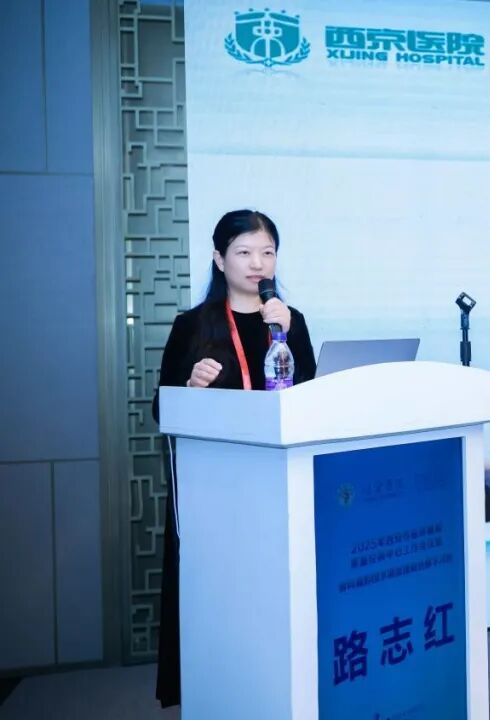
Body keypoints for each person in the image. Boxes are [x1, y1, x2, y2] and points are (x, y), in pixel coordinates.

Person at [151, 209, 316, 708]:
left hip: (277, 485)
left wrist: (287, 333)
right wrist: (190, 386)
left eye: (267, 252)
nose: (257, 263)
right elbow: (160, 409)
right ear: (219, 259)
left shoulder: (289, 321)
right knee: (221, 602)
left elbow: (311, 398)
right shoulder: (192, 325)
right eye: (244, 252)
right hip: (215, 492)